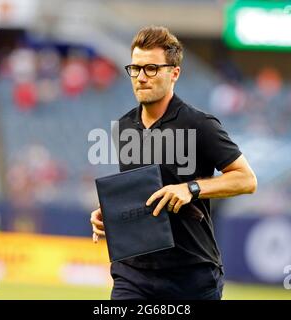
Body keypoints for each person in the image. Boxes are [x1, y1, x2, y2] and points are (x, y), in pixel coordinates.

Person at [90, 26, 257, 300]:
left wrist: (190, 188)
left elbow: (247, 179)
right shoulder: (123, 127)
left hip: (191, 274)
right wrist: (112, 214)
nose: (141, 78)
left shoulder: (199, 124)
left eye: (152, 69)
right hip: (133, 274)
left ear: (174, 73)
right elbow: (141, 192)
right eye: (135, 68)